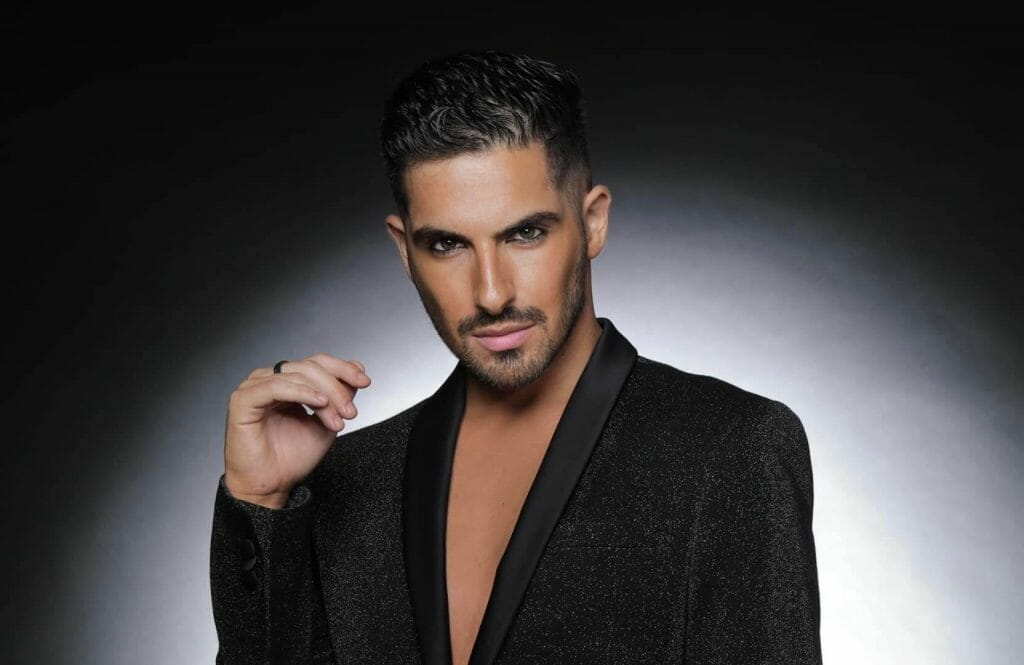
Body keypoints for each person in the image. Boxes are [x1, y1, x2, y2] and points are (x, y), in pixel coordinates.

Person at [209, 50, 823, 665]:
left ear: (593, 223)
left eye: (525, 234)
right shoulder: (347, 479)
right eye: (447, 245)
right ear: (405, 251)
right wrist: (260, 500)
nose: (491, 293)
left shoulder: (729, 448)